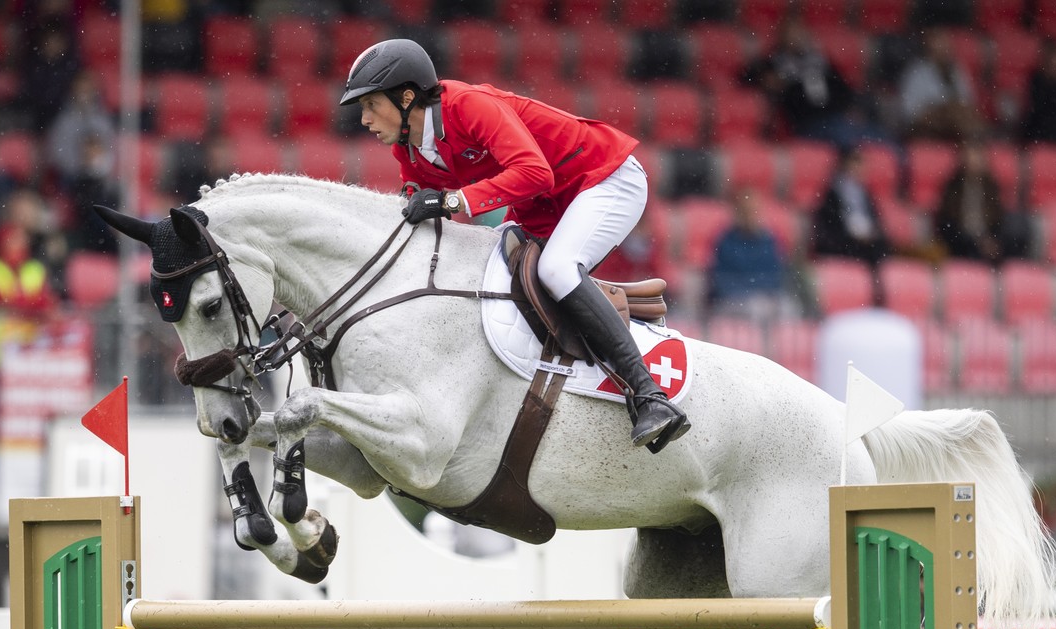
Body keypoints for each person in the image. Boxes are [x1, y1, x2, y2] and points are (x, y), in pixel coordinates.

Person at [339, 38, 688, 451]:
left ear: (407, 97)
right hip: (543, 205)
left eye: (370, 105)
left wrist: (453, 200)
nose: (363, 119)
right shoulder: (410, 150)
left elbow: (534, 172)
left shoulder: (465, 106)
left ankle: (650, 396)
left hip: (601, 177)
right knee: (483, 263)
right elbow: (422, 206)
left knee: (556, 268)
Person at [709, 192, 798, 322]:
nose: (750, 216)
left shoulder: (769, 240)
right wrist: (752, 290)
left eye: (753, 211)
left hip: (766, 297)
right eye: (746, 211)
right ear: (737, 213)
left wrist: (764, 291)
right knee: (756, 308)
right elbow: (721, 280)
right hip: (733, 300)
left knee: (789, 308)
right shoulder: (724, 242)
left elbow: (777, 275)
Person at [933, 143, 1010, 264]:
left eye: (977, 159)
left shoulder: (992, 188)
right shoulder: (952, 188)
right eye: (969, 158)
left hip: (986, 244)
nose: (973, 163)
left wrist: (991, 241)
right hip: (960, 244)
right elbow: (947, 222)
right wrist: (975, 241)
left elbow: (999, 220)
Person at [811, 147, 889, 266]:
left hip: (864, 243)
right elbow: (830, 227)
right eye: (855, 165)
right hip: (842, 243)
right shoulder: (832, 193)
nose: (859, 170)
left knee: (880, 247)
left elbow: (876, 222)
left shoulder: (865, 194)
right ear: (844, 166)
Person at [897, 30, 980, 142]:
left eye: (946, 45)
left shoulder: (957, 70)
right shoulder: (916, 72)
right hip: (926, 128)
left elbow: (968, 102)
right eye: (940, 46)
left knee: (963, 113)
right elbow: (910, 112)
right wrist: (942, 111)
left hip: (956, 127)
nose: (945, 50)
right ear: (930, 49)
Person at [1019, 37, 1056, 145]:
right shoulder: (1034, 82)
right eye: (1052, 60)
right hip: (1034, 139)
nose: (1055, 64)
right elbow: (1030, 117)